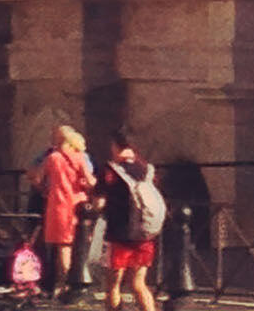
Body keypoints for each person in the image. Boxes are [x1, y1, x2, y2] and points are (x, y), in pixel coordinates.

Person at [92, 129, 159, 311]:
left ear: (115, 146)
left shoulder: (109, 170)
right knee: (139, 284)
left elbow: (99, 202)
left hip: (118, 234)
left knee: (113, 284)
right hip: (145, 233)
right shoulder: (147, 168)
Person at [33, 124, 96, 300]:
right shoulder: (80, 157)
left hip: (59, 204)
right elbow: (91, 181)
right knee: (80, 243)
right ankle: (79, 281)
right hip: (79, 204)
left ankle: (66, 284)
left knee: (63, 247)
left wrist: (46, 190)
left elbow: (37, 179)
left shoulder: (52, 158)